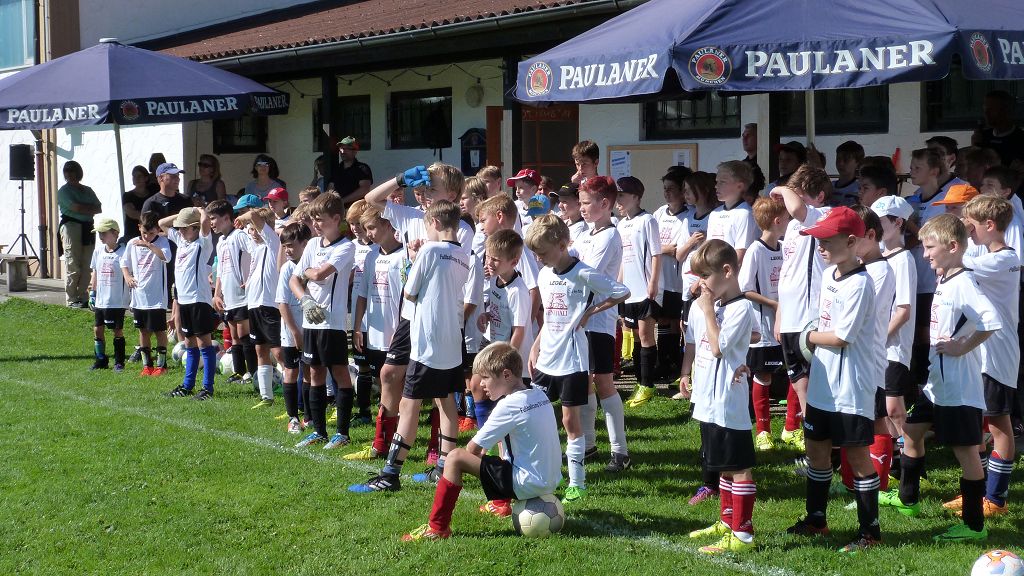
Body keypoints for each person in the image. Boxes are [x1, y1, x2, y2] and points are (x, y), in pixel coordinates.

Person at [880, 214, 1000, 543]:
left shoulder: (964, 282)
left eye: (930, 247)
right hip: (937, 386)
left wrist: (962, 346)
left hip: (959, 389)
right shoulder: (946, 279)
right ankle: (908, 500)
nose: (925, 254)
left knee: (966, 453)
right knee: (911, 432)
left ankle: (974, 525)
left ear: (953, 246)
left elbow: (991, 320)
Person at [354, 200, 471, 493]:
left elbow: (410, 292)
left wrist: (414, 258)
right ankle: (443, 469)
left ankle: (390, 474)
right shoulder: (464, 254)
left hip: (426, 341)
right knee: (446, 402)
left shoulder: (430, 250)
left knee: (409, 405)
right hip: (451, 340)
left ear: (434, 223)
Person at [785, 207, 882, 553]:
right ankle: (816, 519)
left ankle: (870, 532)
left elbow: (841, 336)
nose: (821, 247)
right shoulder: (829, 275)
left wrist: (805, 338)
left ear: (852, 242)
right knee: (816, 452)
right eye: (819, 241)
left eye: (827, 241)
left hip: (850, 388)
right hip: (823, 385)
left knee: (857, 458)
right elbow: (822, 322)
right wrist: (811, 334)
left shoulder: (861, 284)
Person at [401, 342, 561, 541]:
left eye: (485, 377)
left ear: (506, 375)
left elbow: (471, 449)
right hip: (550, 480)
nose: (480, 384)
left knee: (455, 458)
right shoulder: (538, 395)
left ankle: (437, 528)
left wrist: (477, 461)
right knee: (503, 443)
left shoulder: (508, 406)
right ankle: (500, 504)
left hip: (527, 484)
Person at [526, 214, 630, 504]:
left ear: (562, 245)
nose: (538, 259)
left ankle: (577, 483)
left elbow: (622, 292)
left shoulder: (583, 273)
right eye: (535, 253)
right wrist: (535, 345)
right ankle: (542, 474)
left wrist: (589, 312)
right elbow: (550, 316)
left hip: (572, 360)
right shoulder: (544, 275)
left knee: (569, 421)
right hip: (546, 358)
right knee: (535, 416)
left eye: (542, 253)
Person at [683, 240, 760, 555]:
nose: (701, 283)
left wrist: (707, 312)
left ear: (727, 271)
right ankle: (727, 523)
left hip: (728, 402)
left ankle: (742, 533)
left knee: (739, 467)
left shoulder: (740, 307)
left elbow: (717, 348)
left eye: (705, 276)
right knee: (724, 466)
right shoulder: (717, 306)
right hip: (709, 401)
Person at [944, 195, 1019, 518]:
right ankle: (977, 491)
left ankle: (996, 498)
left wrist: (954, 231)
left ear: (990, 225)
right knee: (977, 423)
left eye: (972, 225)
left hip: (998, 354)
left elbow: (955, 258)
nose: (969, 231)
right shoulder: (986, 255)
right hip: (979, 351)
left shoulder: (1003, 259)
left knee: (999, 425)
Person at [772, 165, 833, 452]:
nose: (791, 199)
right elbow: (787, 271)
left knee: (816, 385)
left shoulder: (822, 215)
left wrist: (782, 188)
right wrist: (780, 315)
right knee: (799, 383)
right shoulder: (793, 226)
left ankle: (826, 450)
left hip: (812, 317)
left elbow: (798, 209)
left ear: (819, 196)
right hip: (791, 316)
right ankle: (816, 450)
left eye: (799, 194)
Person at [289, 192, 356, 449]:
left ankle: (342, 433)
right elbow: (294, 280)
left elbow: (318, 274)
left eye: (320, 219)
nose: (316, 224)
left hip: (332, 323)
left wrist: (307, 272)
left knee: (339, 373)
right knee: (314, 372)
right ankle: (319, 431)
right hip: (311, 321)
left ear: (336, 219)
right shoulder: (313, 245)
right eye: (313, 219)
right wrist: (305, 300)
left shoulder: (345, 246)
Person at [574, 176, 628, 468]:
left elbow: (586, 273)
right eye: (580, 202)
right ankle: (589, 444)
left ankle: (620, 451)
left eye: (586, 203)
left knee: (603, 381)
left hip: (599, 320)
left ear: (605, 204)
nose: (581, 208)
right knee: (584, 380)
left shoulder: (609, 236)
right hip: (580, 320)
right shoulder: (586, 233)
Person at [346, 207, 407, 460]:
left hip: (398, 332)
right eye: (365, 228)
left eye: (371, 227)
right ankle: (388, 437)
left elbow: (408, 299)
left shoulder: (404, 256)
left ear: (388, 225)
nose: (368, 233)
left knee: (399, 386)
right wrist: (357, 327)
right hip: (375, 331)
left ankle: (393, 439)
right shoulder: (371, 255)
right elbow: (362, 294)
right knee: (384, 384)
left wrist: (402, 331)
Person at [739, 198, 788, 451]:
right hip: (764, 326)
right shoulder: (755, 251)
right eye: (787, 218)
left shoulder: (785, 247)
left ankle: (791, 428)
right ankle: (763, 431)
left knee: (795, 372)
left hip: (787, 322)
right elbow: (745, 289)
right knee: (763, 374)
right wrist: (774, 304)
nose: (790, 222)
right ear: (777, 221)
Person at [158, 207, 219, 400]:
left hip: (198, 301)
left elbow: (205, 223)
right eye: (180, 228)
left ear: (195, 227)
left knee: (204, 343)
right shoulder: (181, 241)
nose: (181, 231)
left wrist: (200, 211)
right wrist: (182, 215)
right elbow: (161, 223)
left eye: (185, 228)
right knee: (189, 342)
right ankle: (187, 385)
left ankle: (207, 388)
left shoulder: (202, 243)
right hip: (184, 301)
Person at [870, 196, 917, 438]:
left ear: (898, 222)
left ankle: (910, 451)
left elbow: (903, 310)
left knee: (893, 407)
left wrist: (879, 337)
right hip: (876, 344)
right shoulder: (877, 258)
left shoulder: (903, 259)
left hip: (894, 345)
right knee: (881, 408)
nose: (875, 229)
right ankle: (893, 453)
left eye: (880, 222)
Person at [616, 176, 662, 409]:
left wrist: (653, 282)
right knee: (633, 336)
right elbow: (622, 259)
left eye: (622, 195)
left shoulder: (648, 220)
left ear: (635, 197)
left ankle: (648, 385)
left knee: (645, 336)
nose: (618, 200)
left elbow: (656, 253)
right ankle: (638, 382)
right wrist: (618, 285)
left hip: (645, 290)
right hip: (628, 291)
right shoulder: (620, 224)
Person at [234, 206, 284, 410]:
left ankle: (295, 392)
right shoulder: (255, 247)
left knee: (279, 353)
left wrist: (243, 217)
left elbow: (254, 216)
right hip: (254, 305)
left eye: (254, 228)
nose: (252, 233)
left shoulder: (273, 242)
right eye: (250, 229)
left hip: (269, 305)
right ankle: (266, 396)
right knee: (260, 349)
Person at [208, 200, 256, 388]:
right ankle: (239, 371)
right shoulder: (221, 241)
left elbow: (256, 254)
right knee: (234, 335)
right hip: (228, 296)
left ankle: (252, 373)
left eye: (214, 218)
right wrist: (217, 294)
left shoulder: (240, 236)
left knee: (244, 334)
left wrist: (250, 278)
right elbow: (220, 270)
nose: (211, 223)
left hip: (243, 295)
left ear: (226, 217)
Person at [120, 212, 171, 376]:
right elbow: (124, 262)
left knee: (159, 330)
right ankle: (147, 365)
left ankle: (161, 365)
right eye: (144, 233)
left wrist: (148, 245)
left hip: (156, 297)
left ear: (158, 230)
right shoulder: (132, 243)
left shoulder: (162, 242)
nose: (147, 236)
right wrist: (127, 276)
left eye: (151, 233)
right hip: (139, 296)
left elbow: (166, 257)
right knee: (143, 331)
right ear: (139, 228)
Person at [653, 169, 689, 382]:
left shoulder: (688, 216)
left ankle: (678, 362)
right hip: (661, 278)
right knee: (663, 319)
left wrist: (666, 249)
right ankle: (664, 360)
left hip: (678, 279)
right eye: (665, 189)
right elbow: (653, 245)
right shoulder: (659, 213)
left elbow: (679, 250)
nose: (667, 193)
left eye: (671, 189)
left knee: (678, 322)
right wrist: (666, 248)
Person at [277, 222, 312, 434]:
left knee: (308, 372)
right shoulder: (287, 269)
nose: (287, 250)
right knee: (291, 371)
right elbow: (282, 303)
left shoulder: (312, 265)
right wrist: (295, 332)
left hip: (311, 328)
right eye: (284, 246)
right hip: (292, 331)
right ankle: (293, 418)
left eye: (291, 245)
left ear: (305, 244)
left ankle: (309, 416)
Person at [346, 200, 376, 424]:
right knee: (362, 363)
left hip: (378, 315)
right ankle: (364, 411)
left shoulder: (378, 247)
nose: (355, 228)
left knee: (382, 367)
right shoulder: (351, 247)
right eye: (351, 223)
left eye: (358, 223)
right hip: (359, 315)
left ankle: (390, 411)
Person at [57, 160, 102, 308]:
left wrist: (84, 208)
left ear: (78, 172)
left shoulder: (87, 190)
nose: (69, 174)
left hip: (88, 227)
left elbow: (98, 208)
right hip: (71, 227)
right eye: (66, 171)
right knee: (73, 264)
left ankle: (83, 296)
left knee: (86, 265)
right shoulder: (63, 191)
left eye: (72, 170)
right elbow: (75, 208)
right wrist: (88, 208)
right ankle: (71, 299)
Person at [88, 218, 130, 372]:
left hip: (116, 300)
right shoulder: (98, 251)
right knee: (97, 329)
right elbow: (95, 272)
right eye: (99, 233)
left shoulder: (124, 252)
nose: (101, 236)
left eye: (104, 233)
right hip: (101, 299)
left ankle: (119, 362)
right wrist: (92, 292)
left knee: (117, 330)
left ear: (115, 233)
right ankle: (100, 359)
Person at [975, 90, 1024, 175]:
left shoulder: (1020, 139)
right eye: (985, 109)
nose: (986, 113)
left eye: (991, 109)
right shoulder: (982, 136)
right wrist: (975, 148)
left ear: (1006, 111)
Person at [330, 136, 373, 203]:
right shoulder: (336, 169)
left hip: (356, 208)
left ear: (355, 151)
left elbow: (364, 190)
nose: (343, 151)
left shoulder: (363, 169)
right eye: (341, 148)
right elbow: (330, 188)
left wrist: (342, 201)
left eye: (346, 149)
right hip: (338, 207)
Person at [122, 166, 152, 241]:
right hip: (132, 234)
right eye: (134, 176)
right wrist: (151, 218)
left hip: (150, 234)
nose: (136, 178)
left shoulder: (153, 195)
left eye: (139, 176)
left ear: (146, 178)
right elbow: (132, 213)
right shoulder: (127, 195)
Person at [832, 141, 865, 207]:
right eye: (838, 159)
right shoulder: (830, 186)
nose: (841, 163)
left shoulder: (860, 188)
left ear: (858, 163)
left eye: (846, 160)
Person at [740, 123, 766, 199]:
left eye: (749, 136)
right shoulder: (742, 164)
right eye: (743, 136)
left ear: (759, 137)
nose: (744, 139)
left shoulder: (767, 160)